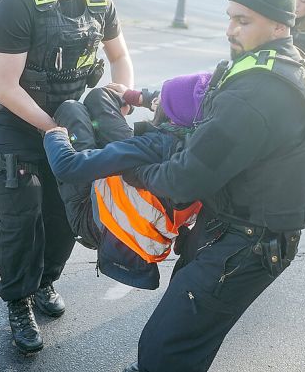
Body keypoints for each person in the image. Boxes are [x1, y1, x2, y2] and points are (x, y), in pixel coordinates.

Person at [120, 0, 305, 372]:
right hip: (245, 232)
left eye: (243, 21)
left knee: (167, 348)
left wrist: (136, 171)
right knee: (183, 341)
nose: (230, 29)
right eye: (230, 17)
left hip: (244, 242)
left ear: (279, 24)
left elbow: (185, 178)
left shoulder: (259, 91)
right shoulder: (292, 63)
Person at [0, 0, 134, 355]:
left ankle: (44, 282)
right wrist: (56, 130)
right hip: (11, 121)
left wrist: (118, 95)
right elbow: (5, 87)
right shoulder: (18, 0)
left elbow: (120, 58)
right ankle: (18, 301)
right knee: (23, 216)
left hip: (62, 120)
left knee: (66, 212)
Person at [43, 74, 209, 290]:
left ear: (170, 117)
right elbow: (190, 98)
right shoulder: (203, 142)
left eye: (162, 102)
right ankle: (99, 150)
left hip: (99, 221)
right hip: (132, 197)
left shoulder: (151, 145)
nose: (156, 102)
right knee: (99, 97)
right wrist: (141, 97)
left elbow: (67, 166)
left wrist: (55, 135)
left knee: (70, 109)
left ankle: (84, 139)